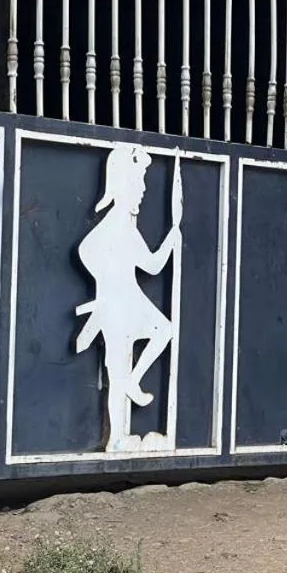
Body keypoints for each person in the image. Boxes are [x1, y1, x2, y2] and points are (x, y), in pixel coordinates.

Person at [75, 143, 180, 452]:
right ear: (121, 185)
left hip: (131, 301)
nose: (144, 189)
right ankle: (118, 438)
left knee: (163, 331)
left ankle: (133, 383)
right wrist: (105, 282)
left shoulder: (126, 227)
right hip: (116, 305)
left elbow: (151, 265)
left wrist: (170, 241)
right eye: (138, 182)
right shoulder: (113, 227)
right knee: (116, 370)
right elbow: (86, 251)